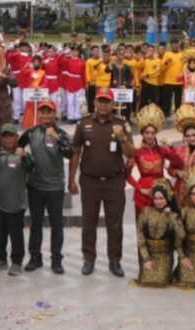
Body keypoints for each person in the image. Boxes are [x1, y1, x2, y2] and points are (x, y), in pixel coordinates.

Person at [69, 88, 134, 277]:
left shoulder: (122, 124)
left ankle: (115, 260)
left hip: (114, 182)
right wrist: (71, 179)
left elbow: (131, 154)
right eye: (100, 101)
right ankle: (88, 258)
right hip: (90, 181)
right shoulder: (84, 123)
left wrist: (122, 137)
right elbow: (76, 152)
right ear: (95, 102)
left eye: (107, 101)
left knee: (115, 224)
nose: (104, 104)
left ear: (113, 104)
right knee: (89, 222)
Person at [19, 98, 73, 274]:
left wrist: (57, 139)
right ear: (38, 114)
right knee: (35, 224)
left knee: (56, 225)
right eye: (42, 111)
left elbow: (70, 152)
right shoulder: (31, 132)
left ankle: (56, 260)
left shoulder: (61, 133)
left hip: (55, 187)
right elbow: (16, 144)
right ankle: (35, 258)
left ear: (54, 114)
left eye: (48, 111)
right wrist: (20, 153)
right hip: (35, 186)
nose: (45, 115)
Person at [0, 123, 31, 276]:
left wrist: (23, 156)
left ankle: (17, 261)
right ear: (1, 138)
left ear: (17, 137)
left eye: (11, 135)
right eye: (5, 136)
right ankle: (0, 258)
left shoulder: (22, 155)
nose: (8, 139)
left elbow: (32, 168)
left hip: (16, 204)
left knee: (16, 235)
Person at [126, 104, 183, 216]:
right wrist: (140, 189)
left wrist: (170, 146)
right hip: (143, 194)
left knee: (162, 227)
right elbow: (127, 175)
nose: (150, 136)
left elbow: (179, 162)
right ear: (142, 133)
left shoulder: (162, 149)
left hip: (161, 191)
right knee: (143, 226)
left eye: (152, 133)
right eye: (147, 133)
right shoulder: (136, 151)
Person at [134, 183, 185, 287]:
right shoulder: (145, 212)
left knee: (161, 282)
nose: (158, 201)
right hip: (149, 255)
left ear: (167, 198)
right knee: (145, 281)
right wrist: (146, 258)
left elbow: (182, 235)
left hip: (164, 256)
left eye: (161, 198)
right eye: (156, 198)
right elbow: (140, 237)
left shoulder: (173, 216)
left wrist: (172, 217)